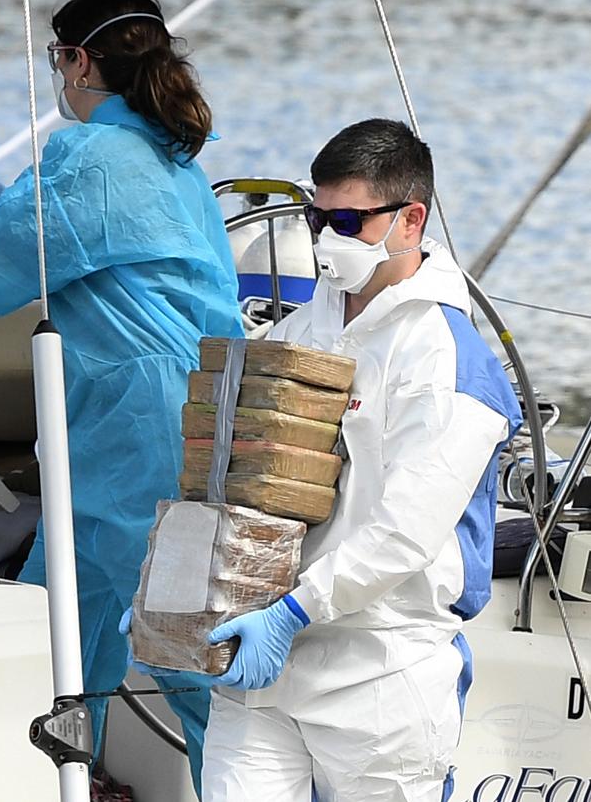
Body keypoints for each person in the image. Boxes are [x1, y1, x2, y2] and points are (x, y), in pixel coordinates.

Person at [0, 0, 243, 797]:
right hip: (190, 422)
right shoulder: (177, 160)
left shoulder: (92, 160)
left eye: (56, 60)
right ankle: (52, 782)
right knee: (53, 634)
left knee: (176, 660)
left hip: (136, 437)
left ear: (77, 61)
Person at [200, 119, 523, 801]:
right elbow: (239, 479)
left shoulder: (446, 359)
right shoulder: (299, 330)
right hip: (265, 662)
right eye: (318, 217)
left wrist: (292, 611)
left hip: (380, 664)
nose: (324, 240)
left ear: (412, 219)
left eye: (347, 220)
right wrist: (181, 585)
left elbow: (405, 532)